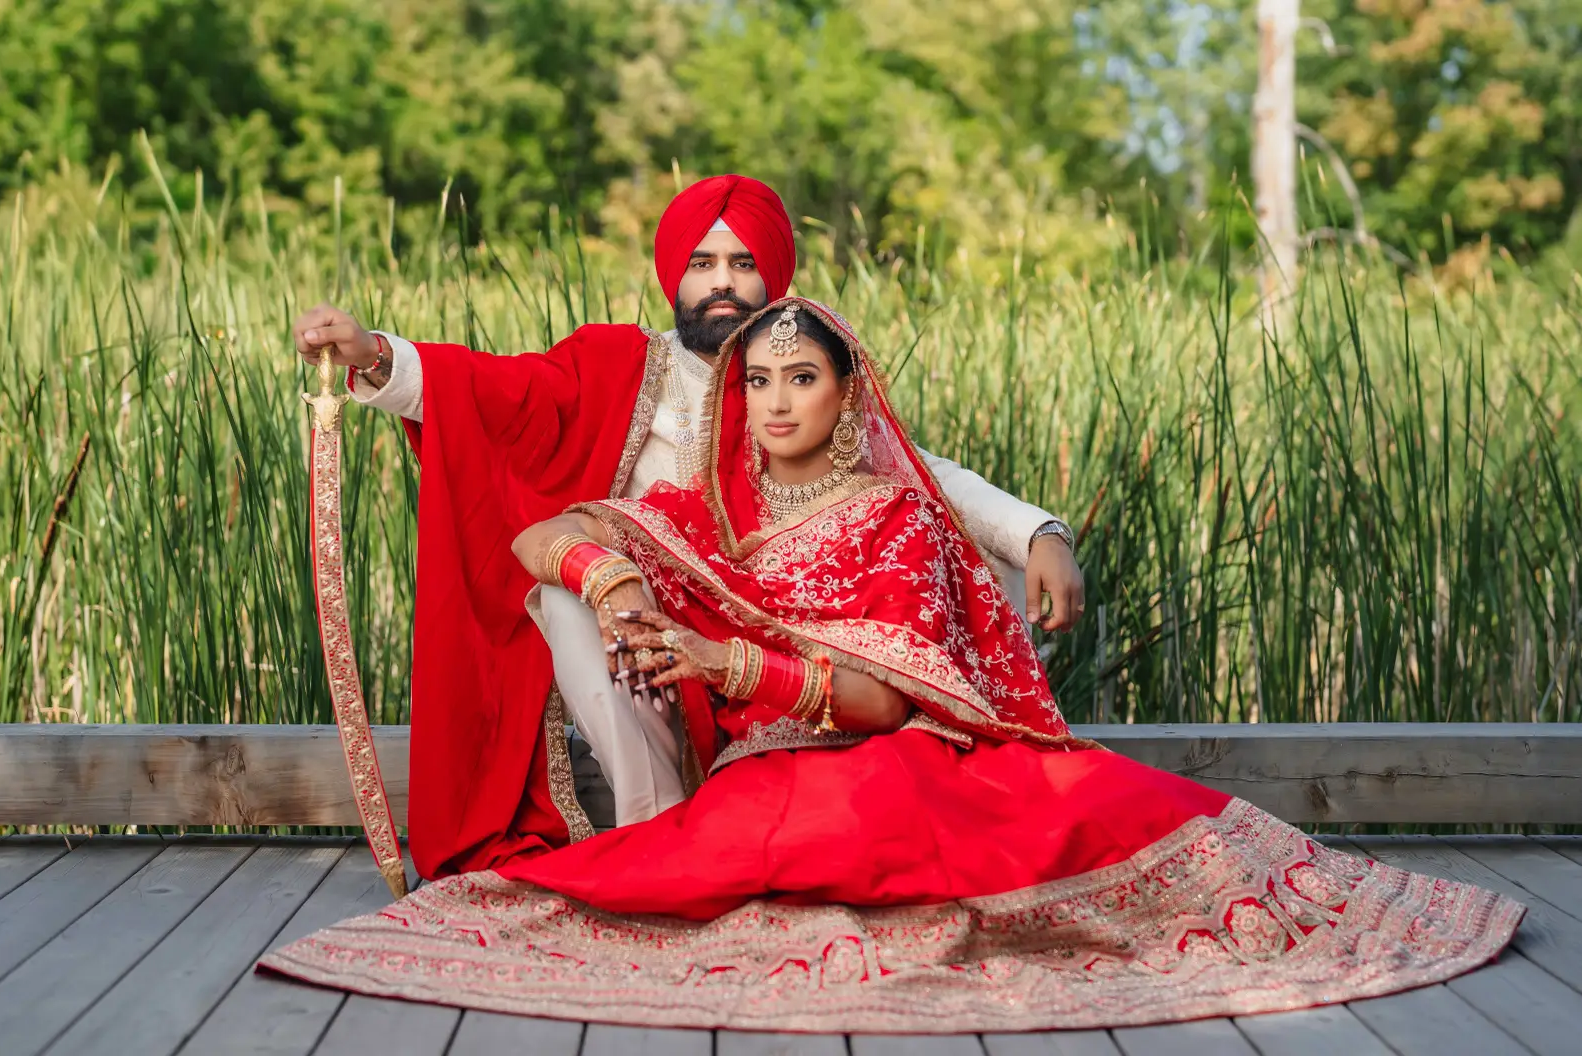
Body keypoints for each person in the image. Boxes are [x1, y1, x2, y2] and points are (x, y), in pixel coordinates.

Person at [262, 298, 1523, 1032]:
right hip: (761, 768)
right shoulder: (710, 505)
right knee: (722, 852)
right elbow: (543, 532)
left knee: (1023, 819)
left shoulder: (895, 512)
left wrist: (722, 657)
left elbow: (880, 694)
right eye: (755, 383)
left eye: (798, 379)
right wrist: (625, 575)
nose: (770, 402)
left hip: (889, 752)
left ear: (847, 390)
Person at [290, 176, 1086, 879]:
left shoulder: (796, 373)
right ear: (675, 276)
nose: (722, 284)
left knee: (961, 561)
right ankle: (655, 828)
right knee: (569, 596)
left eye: (742, 265)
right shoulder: (616, 367)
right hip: (650, 622)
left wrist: (1039, 532)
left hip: (785, 638)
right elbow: (491, 391)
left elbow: (915, 472)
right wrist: (371, 355)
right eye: (703, 264)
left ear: (774, 277)